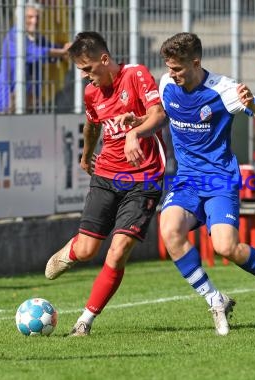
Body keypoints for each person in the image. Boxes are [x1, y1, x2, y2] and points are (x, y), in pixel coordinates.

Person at [155, 32, 255, 336]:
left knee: (226, 247)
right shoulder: (167, 84)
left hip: (220, 181)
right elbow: (158, 115)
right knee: (169, 230)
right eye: (169, 67)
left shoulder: (225, 89)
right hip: (187, 181)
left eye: (178, 68)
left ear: (196, 62)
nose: (172, 74)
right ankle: (214, 299)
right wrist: (137, 125)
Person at [44, 31, 167, 336]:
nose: (87, 77)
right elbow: (92, 125)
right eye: (81, 72)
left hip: (144, 178)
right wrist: (86, 157)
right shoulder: (91, 93)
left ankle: (84, 322)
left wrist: (135, 133)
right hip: (107, 176)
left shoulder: (136, 75)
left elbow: (158, 114)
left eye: (88, 69)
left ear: (104, 59)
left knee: (118, 249)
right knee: (87, 251)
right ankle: (73, 251)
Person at [0, 1, 71, 114]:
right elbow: (35, 53)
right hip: (6, 105)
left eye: (37, 17)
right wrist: (61, 52)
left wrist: (67, 50)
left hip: (28, 104)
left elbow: (53, 50)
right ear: (20, 18)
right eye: (30, 17)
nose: (34, 21)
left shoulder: (37, 38)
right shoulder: (13, 37)